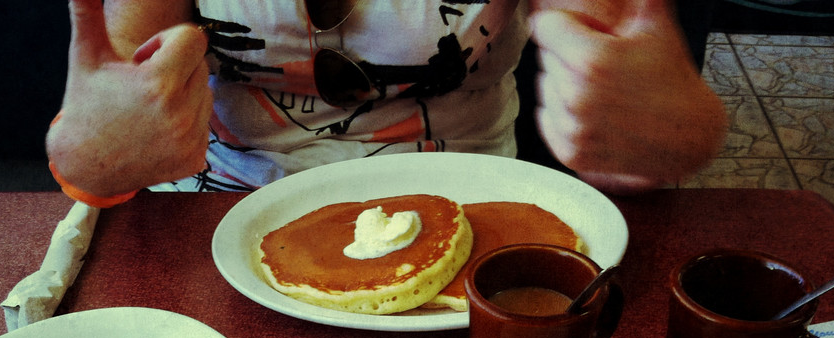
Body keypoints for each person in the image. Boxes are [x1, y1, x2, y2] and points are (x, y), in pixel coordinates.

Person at [45, 0, 727, 204]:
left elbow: (637, 113)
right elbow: (101, 135)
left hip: (468, 210)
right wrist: (93, 160)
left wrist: (672, 132)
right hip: (214, 218)